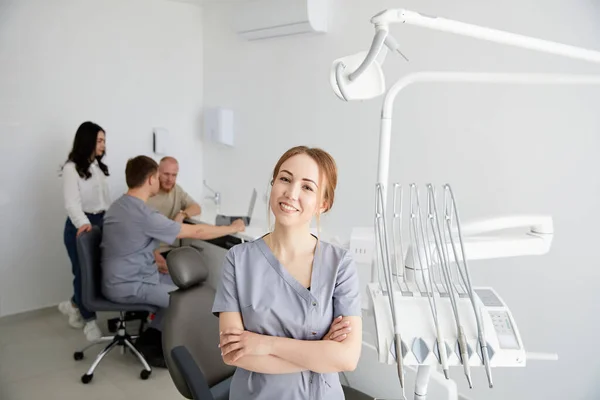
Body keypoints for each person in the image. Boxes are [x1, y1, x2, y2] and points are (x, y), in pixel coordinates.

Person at [213, 146, 363, 400]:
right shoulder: (238, 260)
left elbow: (347, 358)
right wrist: (321, 353)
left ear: (323, 204)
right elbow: (234, 354)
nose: (291, 193)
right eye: (285, 179)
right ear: (272, 185)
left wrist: (265, 344)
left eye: (307, 187)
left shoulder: (340, 264)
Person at [101, 155, 245, 367]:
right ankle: (165, 349)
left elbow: (128, 244)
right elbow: (196, 231)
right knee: (188, 299)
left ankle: (151, 341)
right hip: (130, 284)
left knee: (181, 285)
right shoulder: (143, 214)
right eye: (159, 176)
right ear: (151, 179)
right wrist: (232, 228)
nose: (162, 181)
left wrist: (154, 259)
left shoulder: (118, 206)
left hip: (122, 278)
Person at [58, 121, 109, 342]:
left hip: (100, 222)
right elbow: (71, 204)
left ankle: (73, 304)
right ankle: (89, 321)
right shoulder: (71, 168)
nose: (103, 145)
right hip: (81, 226)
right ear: (87, 140)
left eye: (104, 141)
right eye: (99, 141)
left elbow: (103, 202)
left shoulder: (98, 167)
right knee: (83, 273)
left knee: (95, 273)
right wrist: (84, 225)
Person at [147, 156, 201, 274]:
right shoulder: (147, 193)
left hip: (171, 251)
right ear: (157, 173)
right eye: (166, 174)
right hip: (151, 253)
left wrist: (182, 214)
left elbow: (196, 207)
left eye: (174, 175)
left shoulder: (177, 190)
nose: (170, 179)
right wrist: (154, 256)